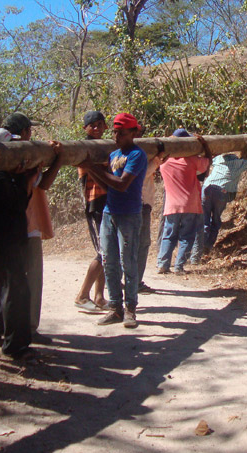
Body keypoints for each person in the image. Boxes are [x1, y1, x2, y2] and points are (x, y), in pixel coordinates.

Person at [79, 113, 147, 328]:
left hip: (129, 214)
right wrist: (92, 168)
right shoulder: (114, 154)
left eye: (121, 132)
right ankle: (115, 308)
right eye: (115, 132)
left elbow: (121, 184)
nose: (116, 136)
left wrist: (92, 167)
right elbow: (109, 185)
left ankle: (130, 310)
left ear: (133, 133)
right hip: (109, 212)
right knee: (109, 261)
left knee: (128, 262)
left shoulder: (137, 155)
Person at [0, 134, 39, 360]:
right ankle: (15, 346)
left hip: (2, 244)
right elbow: (18, 205)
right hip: (3, 245)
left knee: (6, 289)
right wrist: (26, 181)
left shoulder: (2, 177)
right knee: (17, 291)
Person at [3, 113, 62, 342]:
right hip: (27, 226)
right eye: (30, 131)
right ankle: (27, 330)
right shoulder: (26, 155)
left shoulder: (1, 150)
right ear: (25, 132)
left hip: (5, 228)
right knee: (31, 280)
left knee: (9, 283)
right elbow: (44, 183)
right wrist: (58, 158)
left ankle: (6, 330)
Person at [156, 129, 212, 274]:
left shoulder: (164, 162)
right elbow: (207, 163)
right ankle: (179, 266)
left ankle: (163, 264)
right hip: (190, 204)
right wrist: (204, 146)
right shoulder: (191, 160)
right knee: (186, 236)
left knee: (168, 235)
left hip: (171, 206)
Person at [198, 152, 247, 259]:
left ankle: (197, 252)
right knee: (215, 221)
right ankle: (207, 248)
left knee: (204, 221)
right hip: (221, 191)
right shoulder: (240, 163)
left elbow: (210, 158)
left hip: (206, 189)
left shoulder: (218, 159)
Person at [74, 110, 109, 311]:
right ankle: (82, 295)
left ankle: (99, 296)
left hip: (107, 201)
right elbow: (93, 174)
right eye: (92, 125)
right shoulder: (84, 149)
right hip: (95, 203)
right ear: (85, 129)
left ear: (105, 126)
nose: (96, 128)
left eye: (99, 124)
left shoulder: (106, 147)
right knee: (103, 252)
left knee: (107, 252)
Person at [135, 125, 165, 294]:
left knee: (140, 244)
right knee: (140, 243)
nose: (140, 136)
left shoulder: (141, 151)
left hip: (143, 203)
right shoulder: (132, 153)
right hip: (138, 204)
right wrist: (157, 159)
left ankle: (133, 281)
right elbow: (141, 173)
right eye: (136, 132)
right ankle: (135, 282)